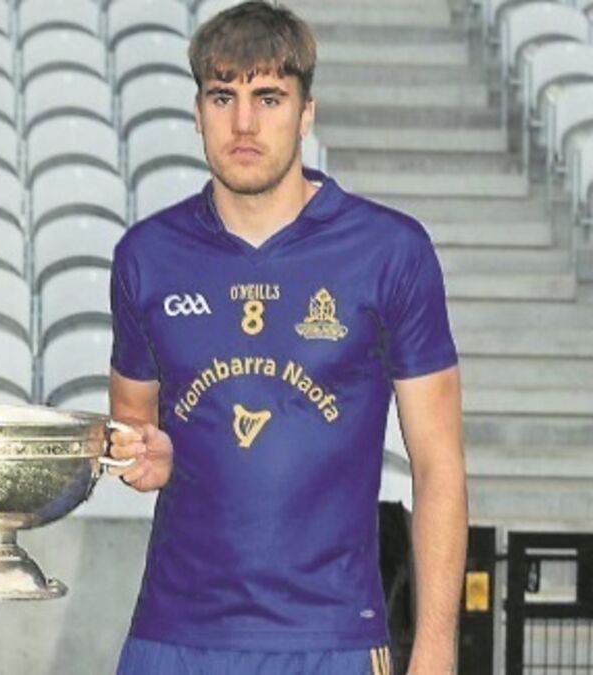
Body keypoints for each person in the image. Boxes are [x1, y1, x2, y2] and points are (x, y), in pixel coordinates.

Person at [106, 3, 468, 674]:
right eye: (224, 97)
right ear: (198, 111)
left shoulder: (390, 251)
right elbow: (134, 425)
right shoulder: (145, 257)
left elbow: (439, 465)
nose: (244, 123)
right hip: (173, 638)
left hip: (332, 638)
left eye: (269, 98)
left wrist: (436, 649)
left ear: (306, 113)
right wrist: (144, 454)